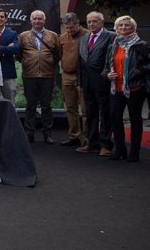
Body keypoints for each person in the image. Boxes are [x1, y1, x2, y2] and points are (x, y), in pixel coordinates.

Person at [104, 16, 150, 162]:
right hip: (116, 88)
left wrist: (137, 70)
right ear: (116, 28)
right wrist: (107, 74)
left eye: (127, 25)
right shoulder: (113, 45)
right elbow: (105, 67)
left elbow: (148, 66)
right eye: (121, 25)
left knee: (135, 119)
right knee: (115, 117)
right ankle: (120, 149)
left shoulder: (141, 45)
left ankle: (134, 152)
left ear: (133, 28)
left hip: (135, 88)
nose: (123, 28)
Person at [17, 10, 60, 145]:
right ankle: (29, 133)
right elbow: (18, 54)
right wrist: (28, 62)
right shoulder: (23, 36)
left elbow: (58, 54)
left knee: (46, 106)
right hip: (29, 75)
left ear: (44, 20)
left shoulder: (53, 36)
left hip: (47, 75)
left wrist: (48, 62)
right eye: (35, 19)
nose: (37, 21)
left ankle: (47, 133)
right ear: (31, 20)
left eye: (40, 19)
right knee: (30, 106)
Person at [77, 11, 115, 155]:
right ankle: (91, 142)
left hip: (103, 82)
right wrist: (80, 82)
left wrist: (106, 76)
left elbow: (110, 60)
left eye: (95, 21)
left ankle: (105, 145)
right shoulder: (84, 38)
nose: (91, 24)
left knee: (105, 114)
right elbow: (80, 63)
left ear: (102, 23)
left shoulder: (111, 37)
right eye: (89, 22)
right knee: (90, 113)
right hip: (87, 83)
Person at [58, 12, 88, 147]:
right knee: (70, 108)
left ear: (78, 23)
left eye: (71, 27)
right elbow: (59, 54)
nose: (69, 30)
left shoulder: (87, 35)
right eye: (67, 27)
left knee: (86, 109)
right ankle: (74, 136)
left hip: (83, 76)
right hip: (67, 75)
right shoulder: (63, 37)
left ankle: (88, 137)